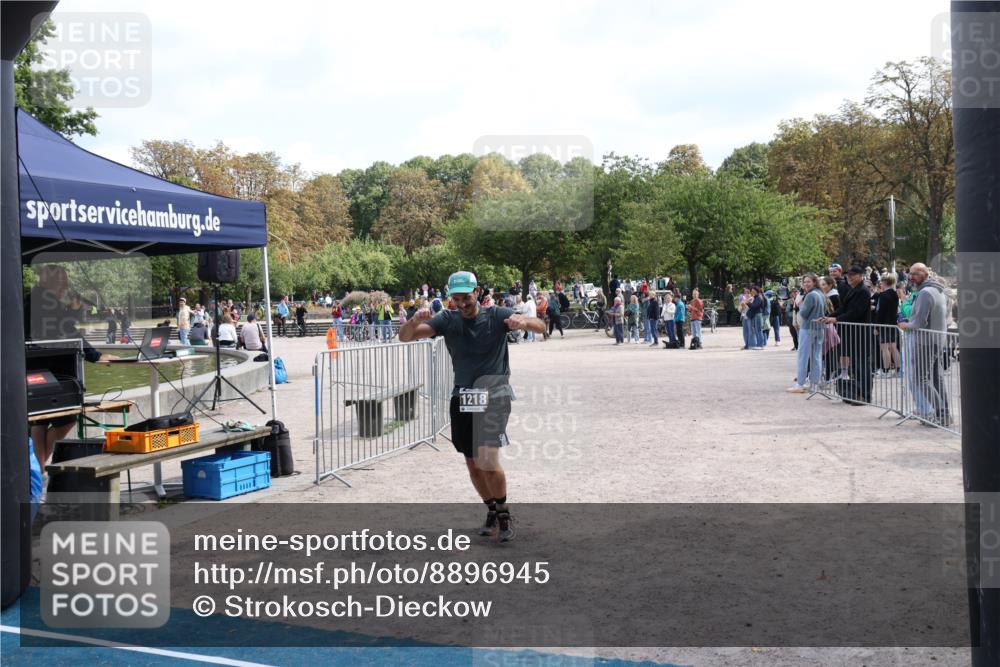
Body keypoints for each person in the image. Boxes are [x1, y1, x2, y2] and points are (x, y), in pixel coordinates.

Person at [398, 271, 545, 542]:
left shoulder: (498, 314)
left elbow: (541, 326)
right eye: (456, 299)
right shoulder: (447, 319)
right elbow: (405, 337)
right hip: (463, 397)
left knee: (488, 458)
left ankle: (504, 514)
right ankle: (490, 509)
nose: (462, 304)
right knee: (473, 465)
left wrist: (522, 320)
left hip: (495, 395)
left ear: (477, 292)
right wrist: (413, 320)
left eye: (466, 298)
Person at [24, 264, 119, 470]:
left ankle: (37, 471)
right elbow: (65, 330)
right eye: (60, 282)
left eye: (65, 281)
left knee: (40, 422)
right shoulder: (42, 301)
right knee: (65, 420)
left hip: (38, 372)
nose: (64, 286)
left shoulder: (37, 300)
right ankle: (38, 470)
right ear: (45, 281)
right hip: (47, 372)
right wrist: (95, 355)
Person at [898, 263, 950, 426]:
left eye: (916, 274)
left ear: (926, 275)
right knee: (936, 378)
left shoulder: (925, 293)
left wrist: (905, 325)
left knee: (921, 378)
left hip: (925, 342)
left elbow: (919, 322)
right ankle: (944, 414)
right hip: (937, 340)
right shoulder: (939, 291)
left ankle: (941, 413)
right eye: (910, 274)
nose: (912, 277)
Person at [819, 266, 872, 405]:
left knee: (861, 365)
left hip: (860, 333)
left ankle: (864, 395)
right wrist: (828, 317)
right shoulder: (853, 290)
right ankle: (856, 393)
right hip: (851, 332)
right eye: (848, 275)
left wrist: (836, 319)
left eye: (853, 275)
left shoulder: (863, 291)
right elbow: (843, 308)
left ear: (861, 276)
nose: (850, 277)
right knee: (855, 365)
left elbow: (856, 312)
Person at [787, 273, 827, 393]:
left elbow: (803, 314)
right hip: (819, 327)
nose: (806, 284)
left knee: (803, 356)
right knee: (816, 356)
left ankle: (800, 383)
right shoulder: (821, 294)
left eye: (808, 281)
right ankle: (815, 383)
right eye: (804, 282)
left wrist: (801, 305)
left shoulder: (810, 296)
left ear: (814, 282)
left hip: (808, 327)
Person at [874, 274, 901, 375]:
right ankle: (898, 370)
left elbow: (881, 313)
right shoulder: (894, 294)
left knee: (884, 348)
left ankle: (886, 370)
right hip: (892, 323)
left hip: (884, 324)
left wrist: (877, 327)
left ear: (884, 282)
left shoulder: (884, 295)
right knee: (893, 347)